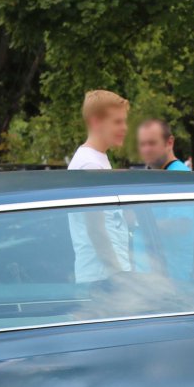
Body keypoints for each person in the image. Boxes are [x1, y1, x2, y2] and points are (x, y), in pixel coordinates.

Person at [67, 90, 132, 283]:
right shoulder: (90, 165)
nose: (125, 128)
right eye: (117, 122)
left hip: (104, 275)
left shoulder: (96, 160)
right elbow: (96, 229)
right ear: (96, 122)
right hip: (103, 278)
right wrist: (119, 273)